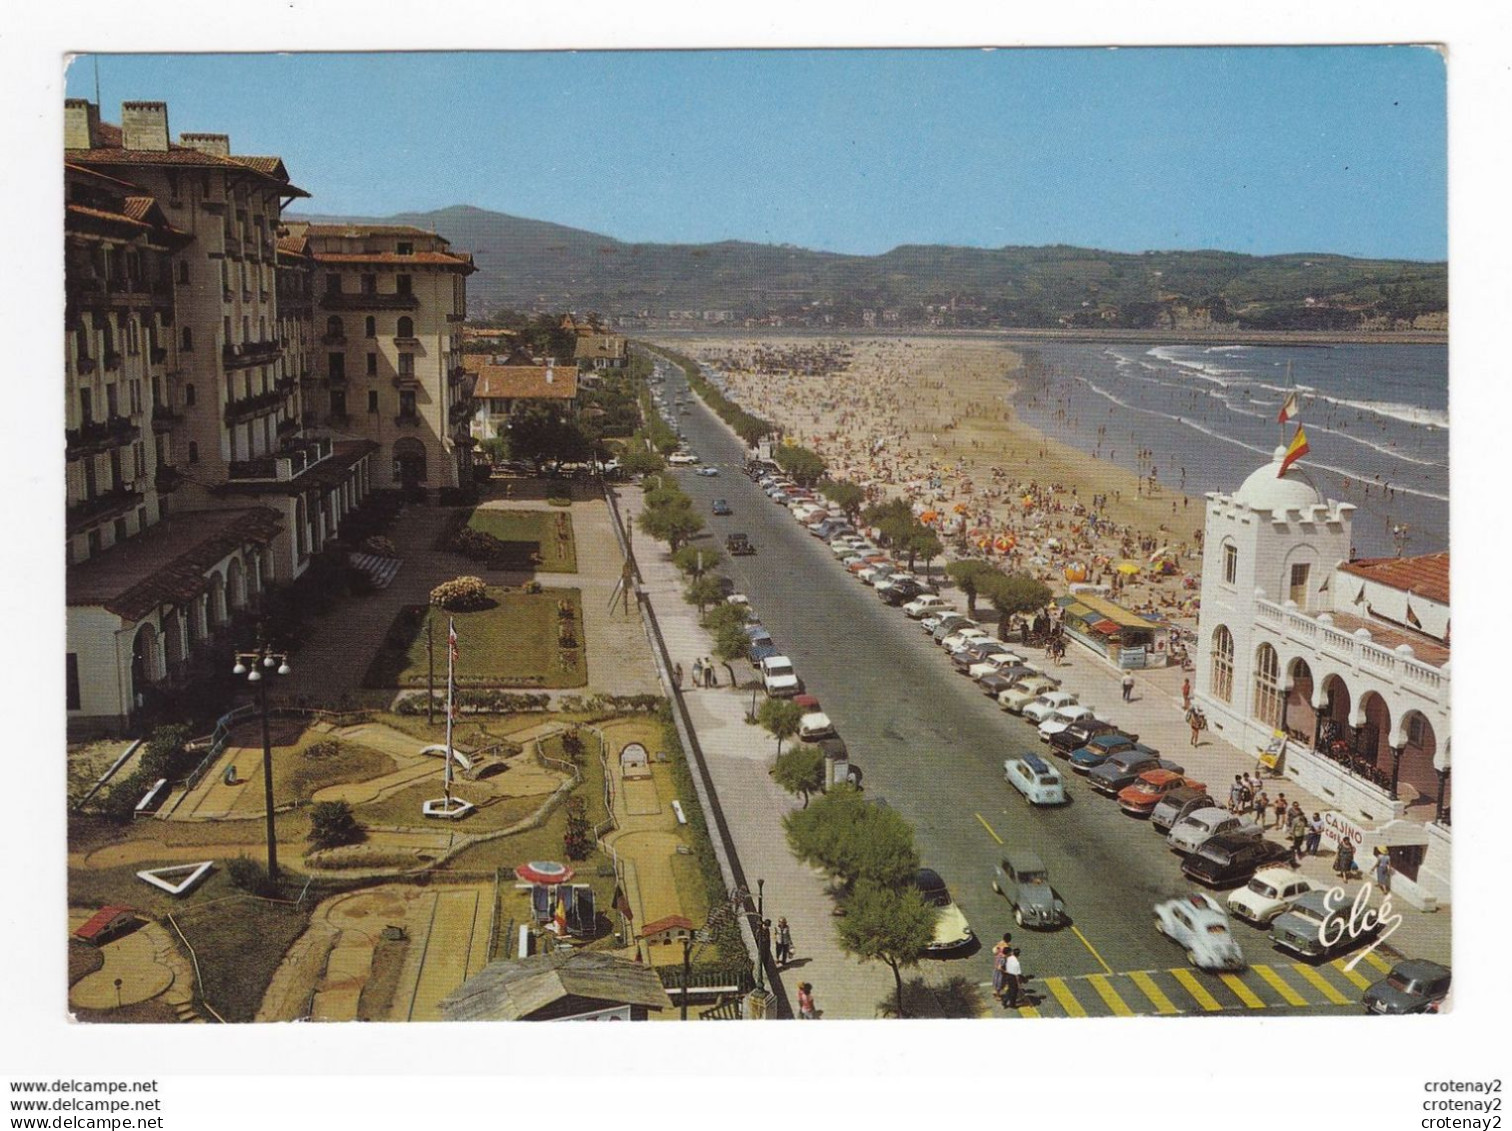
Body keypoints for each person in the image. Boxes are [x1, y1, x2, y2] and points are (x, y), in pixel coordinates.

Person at [991, 932, 1012, 1004]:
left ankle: (995, 991)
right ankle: (997, 994)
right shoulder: (1007, 948)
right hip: (1002, 966)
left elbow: (995, 950)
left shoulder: (1000, 943)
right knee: (1000, 981)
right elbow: (1008, 957)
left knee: (996, 979)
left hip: (997, 962)